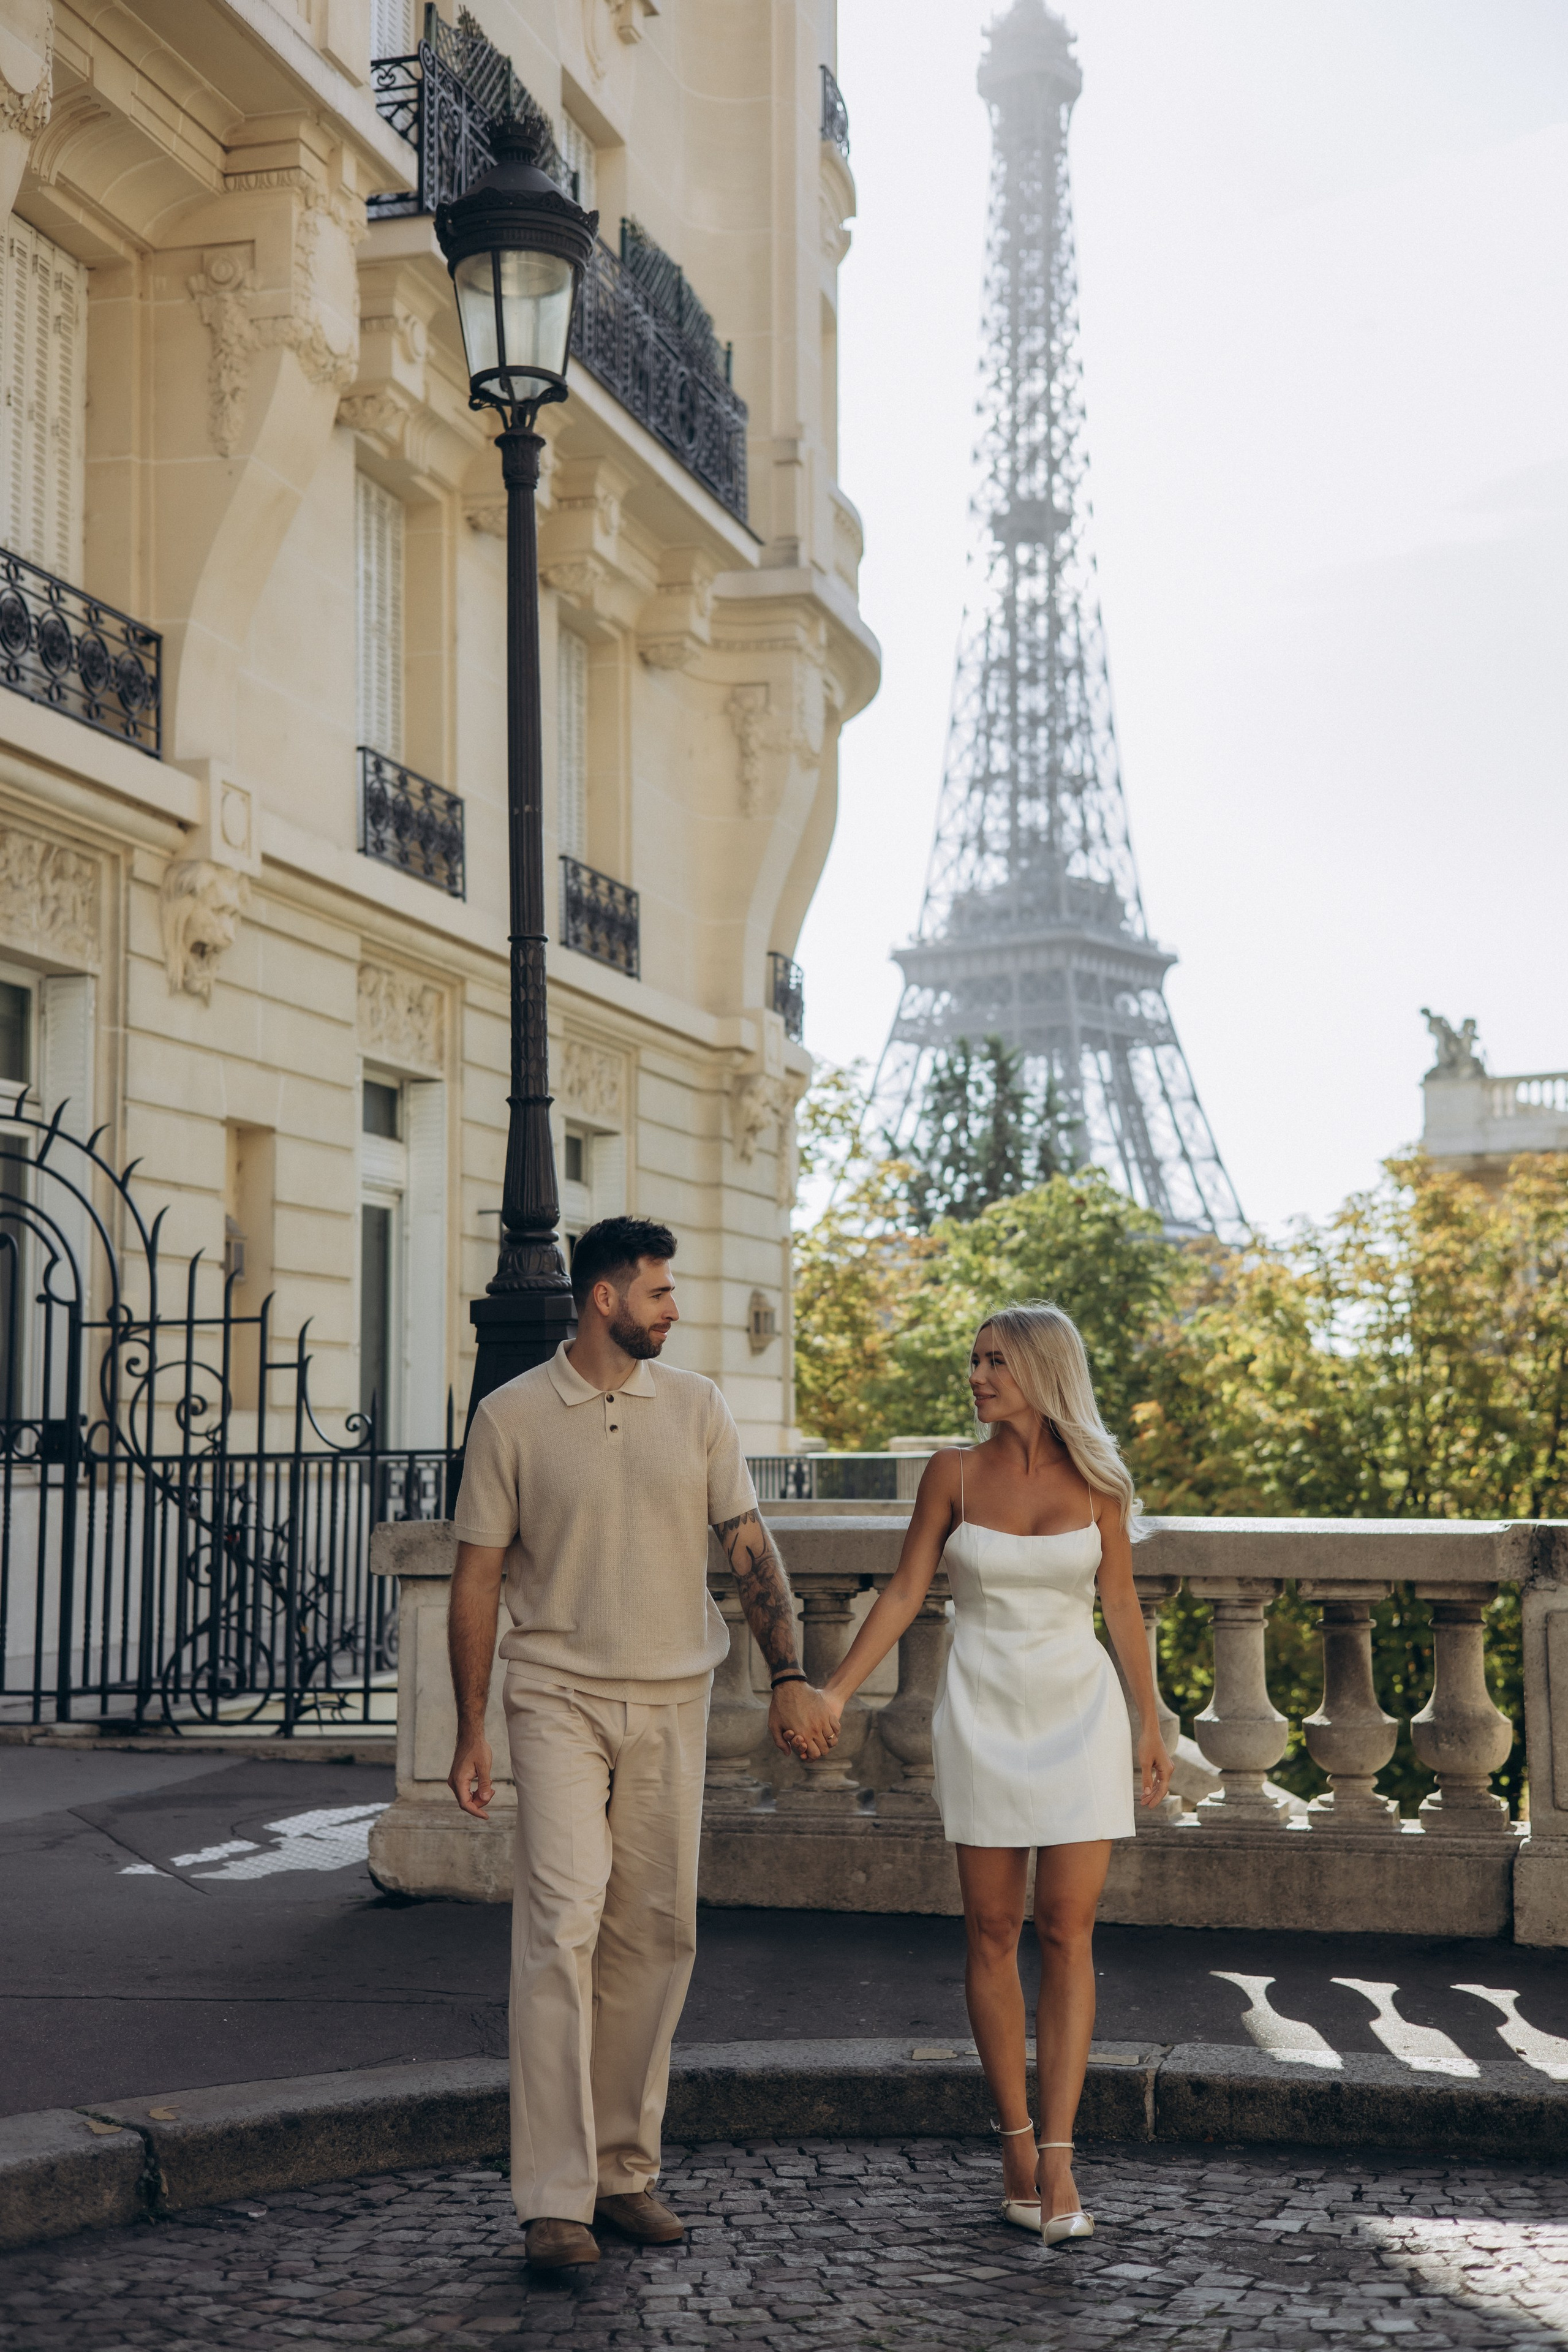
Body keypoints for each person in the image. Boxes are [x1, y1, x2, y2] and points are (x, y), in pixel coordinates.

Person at [445, 1215, 837, 2272]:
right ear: (604, 1300)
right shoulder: (511, 1416)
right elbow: (477, 1577)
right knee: (562, 1926)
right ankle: (554, 2200)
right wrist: (471, 1728)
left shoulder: (699, 1406)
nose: (675, 1309)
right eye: (658, 1293)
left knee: (656, 1936)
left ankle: (623, 2174)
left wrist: (791, 1675)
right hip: (556, 1694)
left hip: (675, 1698)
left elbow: (749, 1547)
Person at [818, 1302, 1172, 2246]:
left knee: (1067, 1931)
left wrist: (1152, 1719)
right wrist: (837, 1690)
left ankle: (1060, 2155)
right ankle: (1014, 2144)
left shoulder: (1100, 1481)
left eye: (994, 1364)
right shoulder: (954, 1474)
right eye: (973, 1361)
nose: (975, 1378)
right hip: (980, 1712)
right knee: (992, 1929)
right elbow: (903, 1593)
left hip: (1081, 1714)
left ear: (1043, 1373)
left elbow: (1124, 1607)